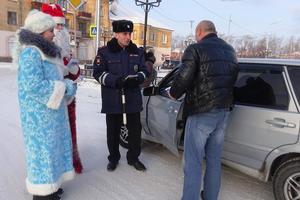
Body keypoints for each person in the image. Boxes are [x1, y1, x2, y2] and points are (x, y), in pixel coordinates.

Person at [169, 20, 239, 200]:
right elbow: (233, 78)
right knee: (214, 160)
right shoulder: (230, 50)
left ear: (200, 31)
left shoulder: (196, 49)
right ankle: (210, 196)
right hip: (223, 111)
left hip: (202, 112)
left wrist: (174, 93)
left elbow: (184, 77)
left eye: (195, 34)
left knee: (193, 162)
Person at [13, 10, 77, 200]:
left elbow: (53, 78)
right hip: (39, 118)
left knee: (53, 151)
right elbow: (33, 86)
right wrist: (64, 87)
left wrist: (66, 84)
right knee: (42, 155)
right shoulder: (31, 53)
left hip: (51, 115)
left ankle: (53, 186)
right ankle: (42, 194)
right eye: (50, 30)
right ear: (40, 31)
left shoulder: (46, 51)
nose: (54, 33)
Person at [93, 19, 149, 172]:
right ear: (116, 34)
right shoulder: (104, 52)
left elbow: (145, 70)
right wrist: (115, 80)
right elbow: (97, 73)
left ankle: (133, 158)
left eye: (130, 33)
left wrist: (139, 78)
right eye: (125, 34)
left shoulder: (137, 52)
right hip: (113, 100)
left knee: (135, 132)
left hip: (132, 99)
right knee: (112, 132)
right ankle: (114, 158)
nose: (128, 37)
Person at [41, 3, 83, 174]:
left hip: (69, 97)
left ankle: (72, 162)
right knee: (54, 136)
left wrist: (73, 69)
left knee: (70, 130)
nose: (60, 29)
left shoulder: (66, 50)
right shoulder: (40, 51)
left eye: (62, 25)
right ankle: (55, 168)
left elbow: (75, 73)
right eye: (56, 25)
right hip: (52, 100)